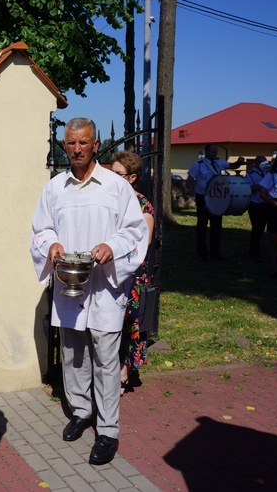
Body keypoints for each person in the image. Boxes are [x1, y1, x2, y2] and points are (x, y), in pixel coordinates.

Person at [30, 117, 148, 466]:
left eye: (83, 143)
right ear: (64, 145)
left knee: (107, 360)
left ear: (96, 145)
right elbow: (41, 228)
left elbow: (135, 231)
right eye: (70, 143)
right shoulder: (55, 188)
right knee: (72, 352)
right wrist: (50, 245)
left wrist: (112, 246)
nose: (77, 149)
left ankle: (108, 429)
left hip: (105, 287)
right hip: (69, 284)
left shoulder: (115, 186)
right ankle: (81, 411)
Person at [110, 151, 155, 396]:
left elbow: (144, 240)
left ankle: (125, 372)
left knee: (130, 324)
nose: (112, 179)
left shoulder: (143, 205)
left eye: (118, 174)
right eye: (111, 173)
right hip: (110, 272)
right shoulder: (109, 201)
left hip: (133, 275)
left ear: (132, 177)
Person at [186, 144, 244, 261]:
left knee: (216, 226)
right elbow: (190, 179)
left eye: (216, 152)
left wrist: (239, 161)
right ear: (206, 152)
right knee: (202, 225)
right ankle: (202, 253)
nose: (214, 154)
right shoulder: (198, 164)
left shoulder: (219, 163)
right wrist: (191, 188)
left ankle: (215, 253)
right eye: (212, 152)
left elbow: (232, 166)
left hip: (216, 198)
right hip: (203, 197)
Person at [246, 155, 269, 261]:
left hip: (267, 204)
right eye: (259, 161)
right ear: (255, 162)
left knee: (269, 229)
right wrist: (262, 184)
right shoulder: (250, 174)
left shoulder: (269, 173)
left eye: (264, 161)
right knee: (257, 229)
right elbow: (249, 189)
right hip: (256, 205)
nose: (262, 163)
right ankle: (253, 253)